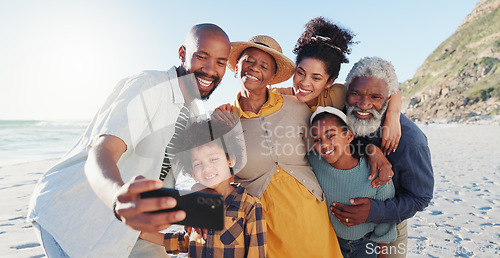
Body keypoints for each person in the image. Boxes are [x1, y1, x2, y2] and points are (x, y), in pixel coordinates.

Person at [27, 23, 231, 257]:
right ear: (183, 54)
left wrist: (197, 208)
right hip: (72, 217)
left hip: (132, 227)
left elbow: (177, 173)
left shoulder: (193, 113)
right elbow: (101, 152)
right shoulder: (149, 86)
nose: (210, 69)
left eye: (220, 62)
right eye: (202, 56)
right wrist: (117, 198)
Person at [222, 35, 343, 257]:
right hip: (262, 225)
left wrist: (375, 156)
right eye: (248, 61)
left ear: (272, 76)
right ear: (236, 66)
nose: (254, 68)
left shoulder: (298, 107)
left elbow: (328, 150)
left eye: (264, 65)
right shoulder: (225, 121)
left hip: (311, 216)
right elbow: (215, 179)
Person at [330, 57, 434, 258]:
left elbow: (420, 197)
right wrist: (370, 148)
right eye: (355, 94)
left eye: (375, 97)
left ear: (388, 99)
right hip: (338, 230)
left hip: (389, 228)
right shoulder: (338, 118)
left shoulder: (411, 141)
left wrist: (374, 212)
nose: (363, 104)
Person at [274, 17, 402, 156]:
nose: (304, 83)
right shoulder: (279, 97)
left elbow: (388, 89)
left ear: (329, 82)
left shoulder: (337, 95)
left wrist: (393, 116)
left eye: (316, 78)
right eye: (300, 73)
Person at [139, 118, 267, 257]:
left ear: (230, 160)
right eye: (198, 164)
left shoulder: (249, 206)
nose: (206, 168)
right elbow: (185, 242)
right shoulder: (194, 204)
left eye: (213, 159)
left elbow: (256, 254)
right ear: (192, 173)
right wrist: (142, 233)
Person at [308, 106, 396, 257]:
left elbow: (385, 223)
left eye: (330, 135)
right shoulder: (313, 162)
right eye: (317, 139)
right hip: (330, 242)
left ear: (349, 136)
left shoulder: (376, 171)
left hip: (366, 244)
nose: (324, 144)